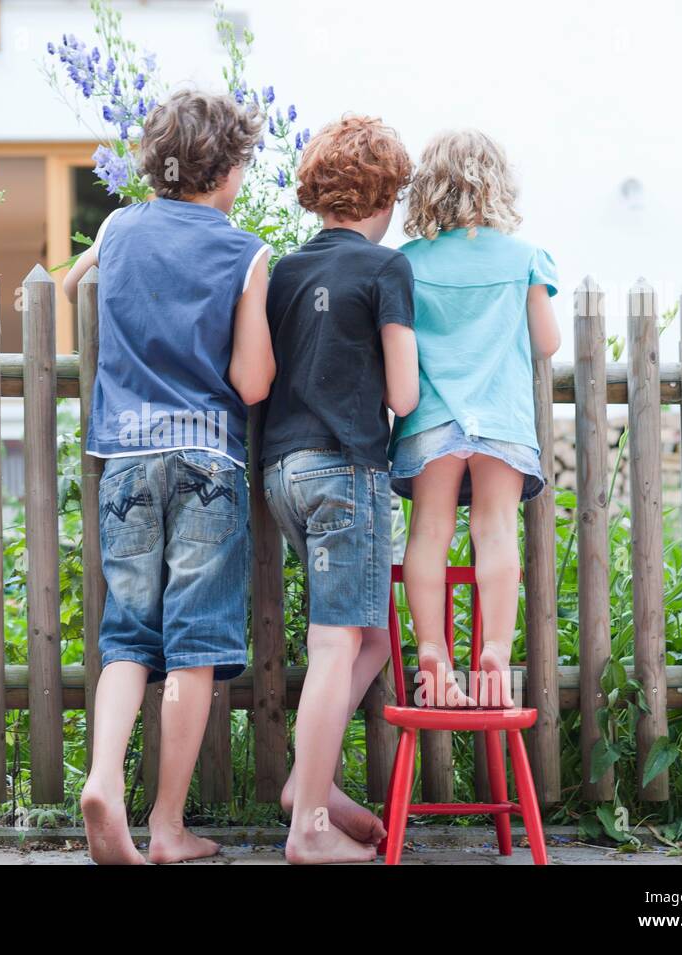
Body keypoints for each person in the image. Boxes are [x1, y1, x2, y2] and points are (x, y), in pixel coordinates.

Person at [63, 89, 274, 864]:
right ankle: (167, 825)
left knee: (127, 632)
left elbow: (68, 286)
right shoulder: (243, 251)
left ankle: (102, 780)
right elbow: (252, 382)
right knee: (192, 646)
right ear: (226, 169)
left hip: (125, 454)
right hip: (207, 459)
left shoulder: (119, 226)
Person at [259, 115, 418, 864]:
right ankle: (310, 829)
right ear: (384, 198)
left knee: (373, 638)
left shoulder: (286, 271)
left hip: (282, 472)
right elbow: (406, 393)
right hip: (347, 467)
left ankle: (306, 784)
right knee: (335, 643)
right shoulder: (385, 271)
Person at [391, 129, 560, 710]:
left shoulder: (406, 263)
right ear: (497, 184)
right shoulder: (523, 258)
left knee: (429, 533)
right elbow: (546, 342)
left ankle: (433, 648)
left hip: (432, 421)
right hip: (502, 423)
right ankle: (492, 647)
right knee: (494, 530)